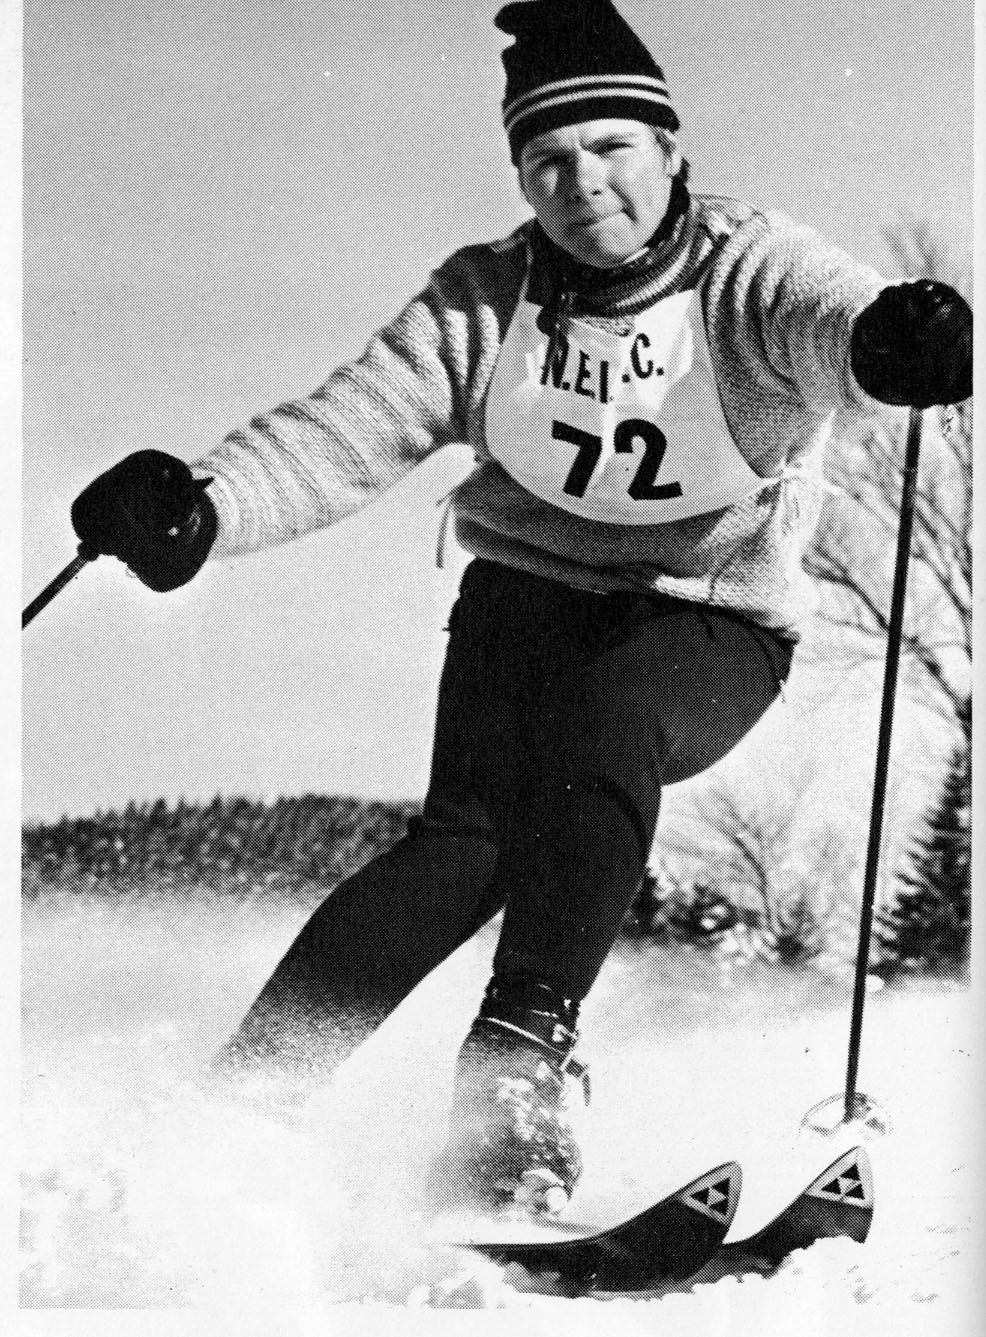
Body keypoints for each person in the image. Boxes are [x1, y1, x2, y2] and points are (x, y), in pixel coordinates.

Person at [71, 0, 972, 1217]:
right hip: (526, 604)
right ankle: (238, 1103)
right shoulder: (486, 302)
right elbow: (344, 432)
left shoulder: (745, 268)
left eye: (608, 147)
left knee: (608, 717)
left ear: (667, 151)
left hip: (709, 618)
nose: (579, 181)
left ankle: (511, 1087)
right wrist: (204, 506)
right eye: (546, 160)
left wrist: (888, 340)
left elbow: (833, 319)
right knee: (462, 848)